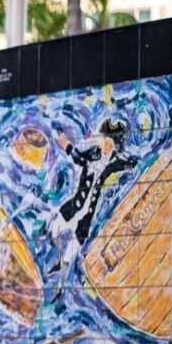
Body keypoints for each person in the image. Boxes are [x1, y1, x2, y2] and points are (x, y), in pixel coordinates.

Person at [47, 118, 137, 296]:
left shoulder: (114, 163)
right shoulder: (93, 153)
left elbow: (130, 163)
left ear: (115, 146)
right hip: (72, 208)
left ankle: (59, 287)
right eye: (104, 140)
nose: (106, 146)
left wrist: (132, 160)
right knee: (53, 231)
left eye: (110, 143)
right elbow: (77, 157)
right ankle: (57, 258)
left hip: (85, 219)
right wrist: (66, 144)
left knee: (69, 258)